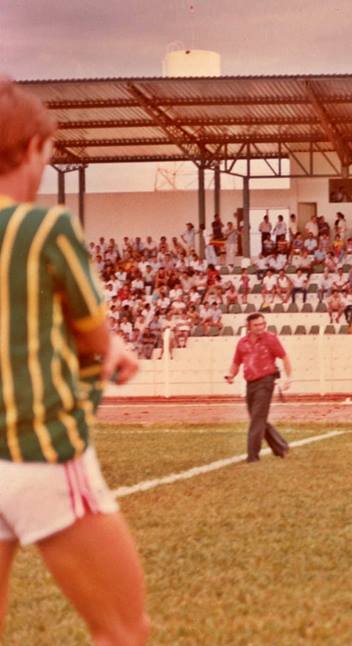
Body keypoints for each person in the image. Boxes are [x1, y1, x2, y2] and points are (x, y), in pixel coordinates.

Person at [0, 79, 149, 644]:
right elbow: (95, 338)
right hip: (37, 448)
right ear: (33, 148)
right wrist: (114, 351)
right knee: (121, 630)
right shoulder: (45, 228)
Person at [225, 313, 291, 463]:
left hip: (266, 382)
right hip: (250, 383)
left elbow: (284, 357)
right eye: (256, 325)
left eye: (262, 324)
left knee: (256, 420)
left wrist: (288, 377)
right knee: (258, 418)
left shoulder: (271, 339)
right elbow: (236, 362)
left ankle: (253, 456)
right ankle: (281, 446)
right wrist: (230, 374)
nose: (261, 327)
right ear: (248, 327)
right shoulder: (242, 343)